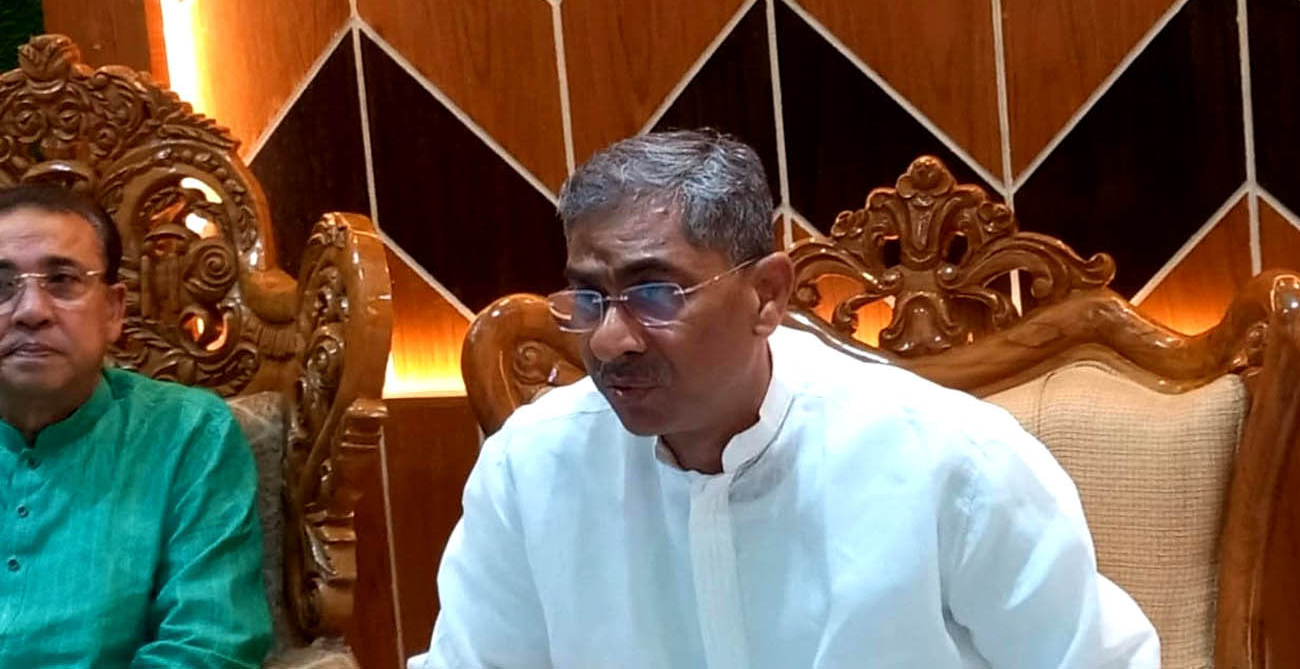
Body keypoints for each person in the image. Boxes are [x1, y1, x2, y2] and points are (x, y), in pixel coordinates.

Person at [411, 130, 1160, 668]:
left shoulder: (949, 462)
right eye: (588, 296)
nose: (610, 339)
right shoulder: (531, 471)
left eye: (654, 293)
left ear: (767, 293)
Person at [0, 184, 271, 667]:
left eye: (62, 281)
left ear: (114, 310)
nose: (32, 311)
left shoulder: (188, 435)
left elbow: (209, 646)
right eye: (2, 286)